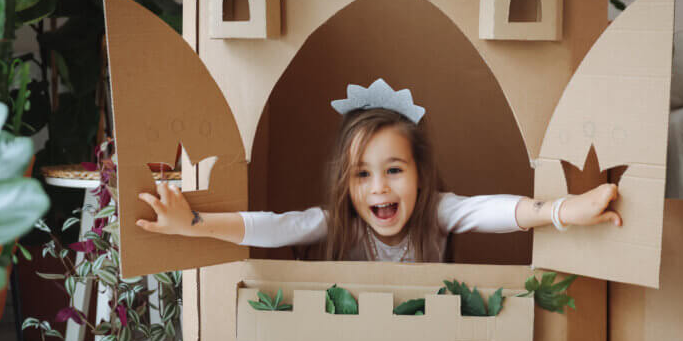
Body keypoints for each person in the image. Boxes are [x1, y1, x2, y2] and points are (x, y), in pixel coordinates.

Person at [136, 79, 621, 262]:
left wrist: (562, 211)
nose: (379, 188)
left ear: (420, 175)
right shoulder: (336, 222)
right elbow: (273, 226)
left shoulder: (434, 213)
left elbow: (490, 210)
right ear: (345, 184)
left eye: (393, 170)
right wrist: (194, 225)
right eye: (362, 175)